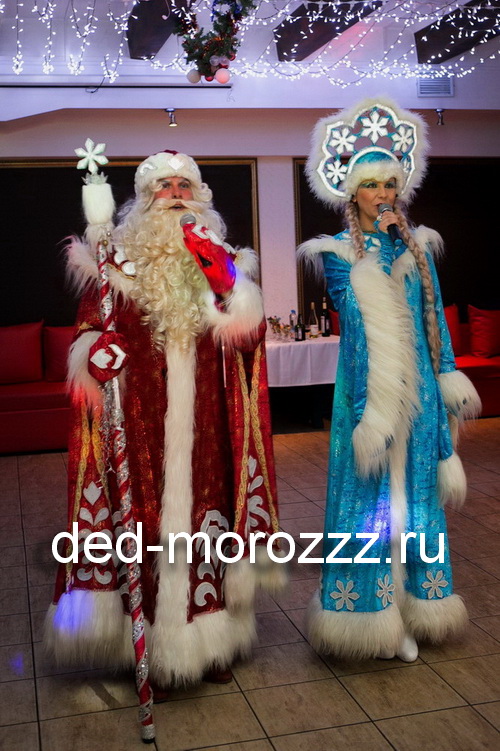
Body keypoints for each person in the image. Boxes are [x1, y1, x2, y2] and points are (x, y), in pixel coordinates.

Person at [45, 149, 284, 689]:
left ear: (200, 196)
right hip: (138, 422)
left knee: (209, 522)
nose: (176, 194)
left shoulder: (223, 260)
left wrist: (223, 276)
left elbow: (249, 335)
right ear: (144, 198)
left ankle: (212, 641)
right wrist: (94, 354)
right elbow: (88, 334)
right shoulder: (114, 264)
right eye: (164, 186)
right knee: (142, 524)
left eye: (185, 185)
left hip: (208, 426)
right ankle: (144, 646)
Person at [298, 98, 481, 662]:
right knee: (368, 506)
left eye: (389, 184)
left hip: (419, 395)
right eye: (371, 185)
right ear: (352, 193)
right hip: (368, 398)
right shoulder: (334, 255)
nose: (382, 194)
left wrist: (446, 377)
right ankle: (371, 613)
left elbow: (436, 323)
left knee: (418, 502)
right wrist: (381, 253)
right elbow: (356, 316)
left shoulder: (418, 247)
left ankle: (416, 604)